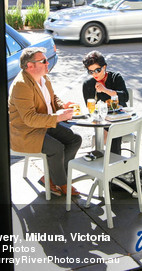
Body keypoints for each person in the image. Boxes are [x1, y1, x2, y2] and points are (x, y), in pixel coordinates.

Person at [9, 47, 82, 196]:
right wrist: (58, 117)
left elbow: (53, 98)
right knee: (56, 147)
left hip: (44, 124)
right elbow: (29, 119)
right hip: (26, 131)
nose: (47, 63)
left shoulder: (44, 78)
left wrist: (63, 106)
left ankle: (49, 179)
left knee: (75, 140)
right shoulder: (21, 85)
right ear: (30, 65)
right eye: (43, 61)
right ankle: (62, 183)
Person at [82, 50, 128, 155]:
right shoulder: (88, 84)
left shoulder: (115, 77)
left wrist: (105, 90)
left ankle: (113, 164)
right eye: (91, 71)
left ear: (104, 67)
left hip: (118, 118)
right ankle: (110, 164)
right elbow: (90, 110)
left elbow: (125, 97)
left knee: (112, 132)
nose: (95, 74)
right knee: (106, 133)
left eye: (98, 70)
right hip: (101, 121)